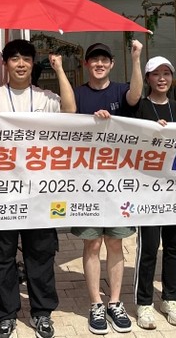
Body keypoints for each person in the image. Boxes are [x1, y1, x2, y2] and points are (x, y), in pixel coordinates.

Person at [0, 39, 75, 338]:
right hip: (1, 190)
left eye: (26, 58)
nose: (21, 64)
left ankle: (42, 312)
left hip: (39, 191)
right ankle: (5, 315)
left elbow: (70, 111)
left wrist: (60, 70)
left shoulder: (45, 97)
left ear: (32, 63)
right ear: (5, 63)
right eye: (14, 58)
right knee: (1, 256)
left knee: (40, 254)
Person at [72, 40, 143, 335]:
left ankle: (115, 302)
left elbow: (136, 95)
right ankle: (96, 304)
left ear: (112, 64)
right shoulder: (78, 94)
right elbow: (67, 124)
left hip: (118, 184)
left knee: (115, 242)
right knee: (92, 244)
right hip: (86, 183)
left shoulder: (120, 91)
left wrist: (136, 58)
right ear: (87, 64)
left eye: (104, 60)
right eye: (94, 60)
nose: (99, 64)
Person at [132, 56, 176, 330]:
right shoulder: (139, 108)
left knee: (174, 247)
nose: (162, 78)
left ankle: (171, 298)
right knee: (148, 248)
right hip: (147, 191)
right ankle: (144, 303)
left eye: (167, 73)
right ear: (148, 78)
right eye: (156, 74)